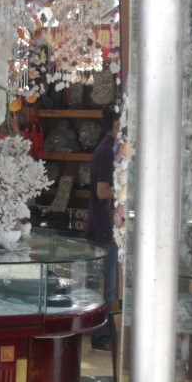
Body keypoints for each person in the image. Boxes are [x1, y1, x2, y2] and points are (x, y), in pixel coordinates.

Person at [84, 104, 120, 352]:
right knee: (106, 286)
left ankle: (102, 334)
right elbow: (102, 191)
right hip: (104, 227)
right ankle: (101, 336)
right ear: (116, 124)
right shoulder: (107, 150)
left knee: (103, 284)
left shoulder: (107, 148)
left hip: (104, 226)